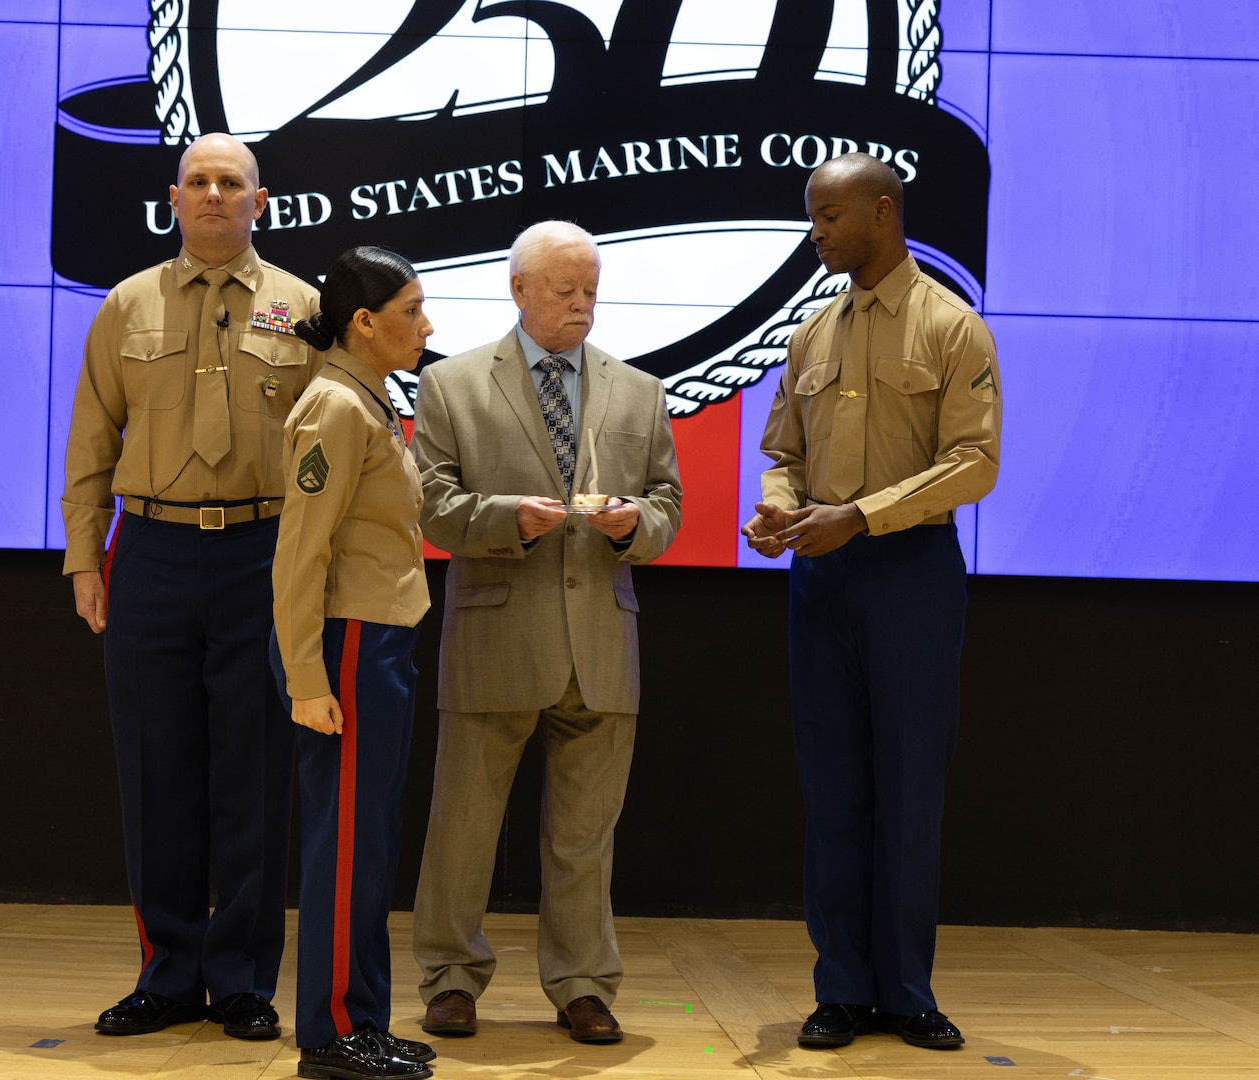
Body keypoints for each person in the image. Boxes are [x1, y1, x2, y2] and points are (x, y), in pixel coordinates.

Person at [62, 132, 322, 1039]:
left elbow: (334, 451)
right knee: (155, 769)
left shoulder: (305, 310)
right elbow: (92, 437)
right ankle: (169, 973)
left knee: (252, 773)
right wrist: (84, 558)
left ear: (262, 199)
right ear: (173, 199)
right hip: (154, 555)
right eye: (199, 182)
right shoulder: (127, 305)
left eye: (232, 182)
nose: (215, 194)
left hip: (264, 554)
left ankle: (243, 979)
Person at [740, 152, 1002, 1051]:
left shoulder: (952, 327)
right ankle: (842, 989)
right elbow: (783, 452)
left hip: (911, 578)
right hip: (822, 580)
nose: (816, 234)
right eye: (814, 217)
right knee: (834, 788)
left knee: (909, 788)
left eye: (828, 218)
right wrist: (778, 508)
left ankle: (906, 991)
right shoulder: (810, 335)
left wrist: (861, 515)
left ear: (882, 214)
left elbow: (976, 465)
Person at [409, 220, 683, 1044]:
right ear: (518, 288)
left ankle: (583, 984)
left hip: (601, 639)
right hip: (496, 634)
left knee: (584, 836)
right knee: (462, 828)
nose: (581, 306)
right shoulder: (451, 384)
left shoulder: (639, 390)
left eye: (591, 291)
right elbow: (430, 505)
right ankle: (451, 977)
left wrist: (638, 524)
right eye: (564, 291)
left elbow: (668, 505)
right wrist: (507, 520)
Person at [270, 247, 436, 1080]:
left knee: (369, 842)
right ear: (364, 322)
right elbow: (298, 556)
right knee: (345, 847)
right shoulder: (334, 408)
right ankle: (334, 1034)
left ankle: (363, 1015)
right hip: (350, 644)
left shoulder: (366, 400)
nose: (427, 325)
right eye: (412, 309)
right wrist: (305, 680)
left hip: (382, 639)